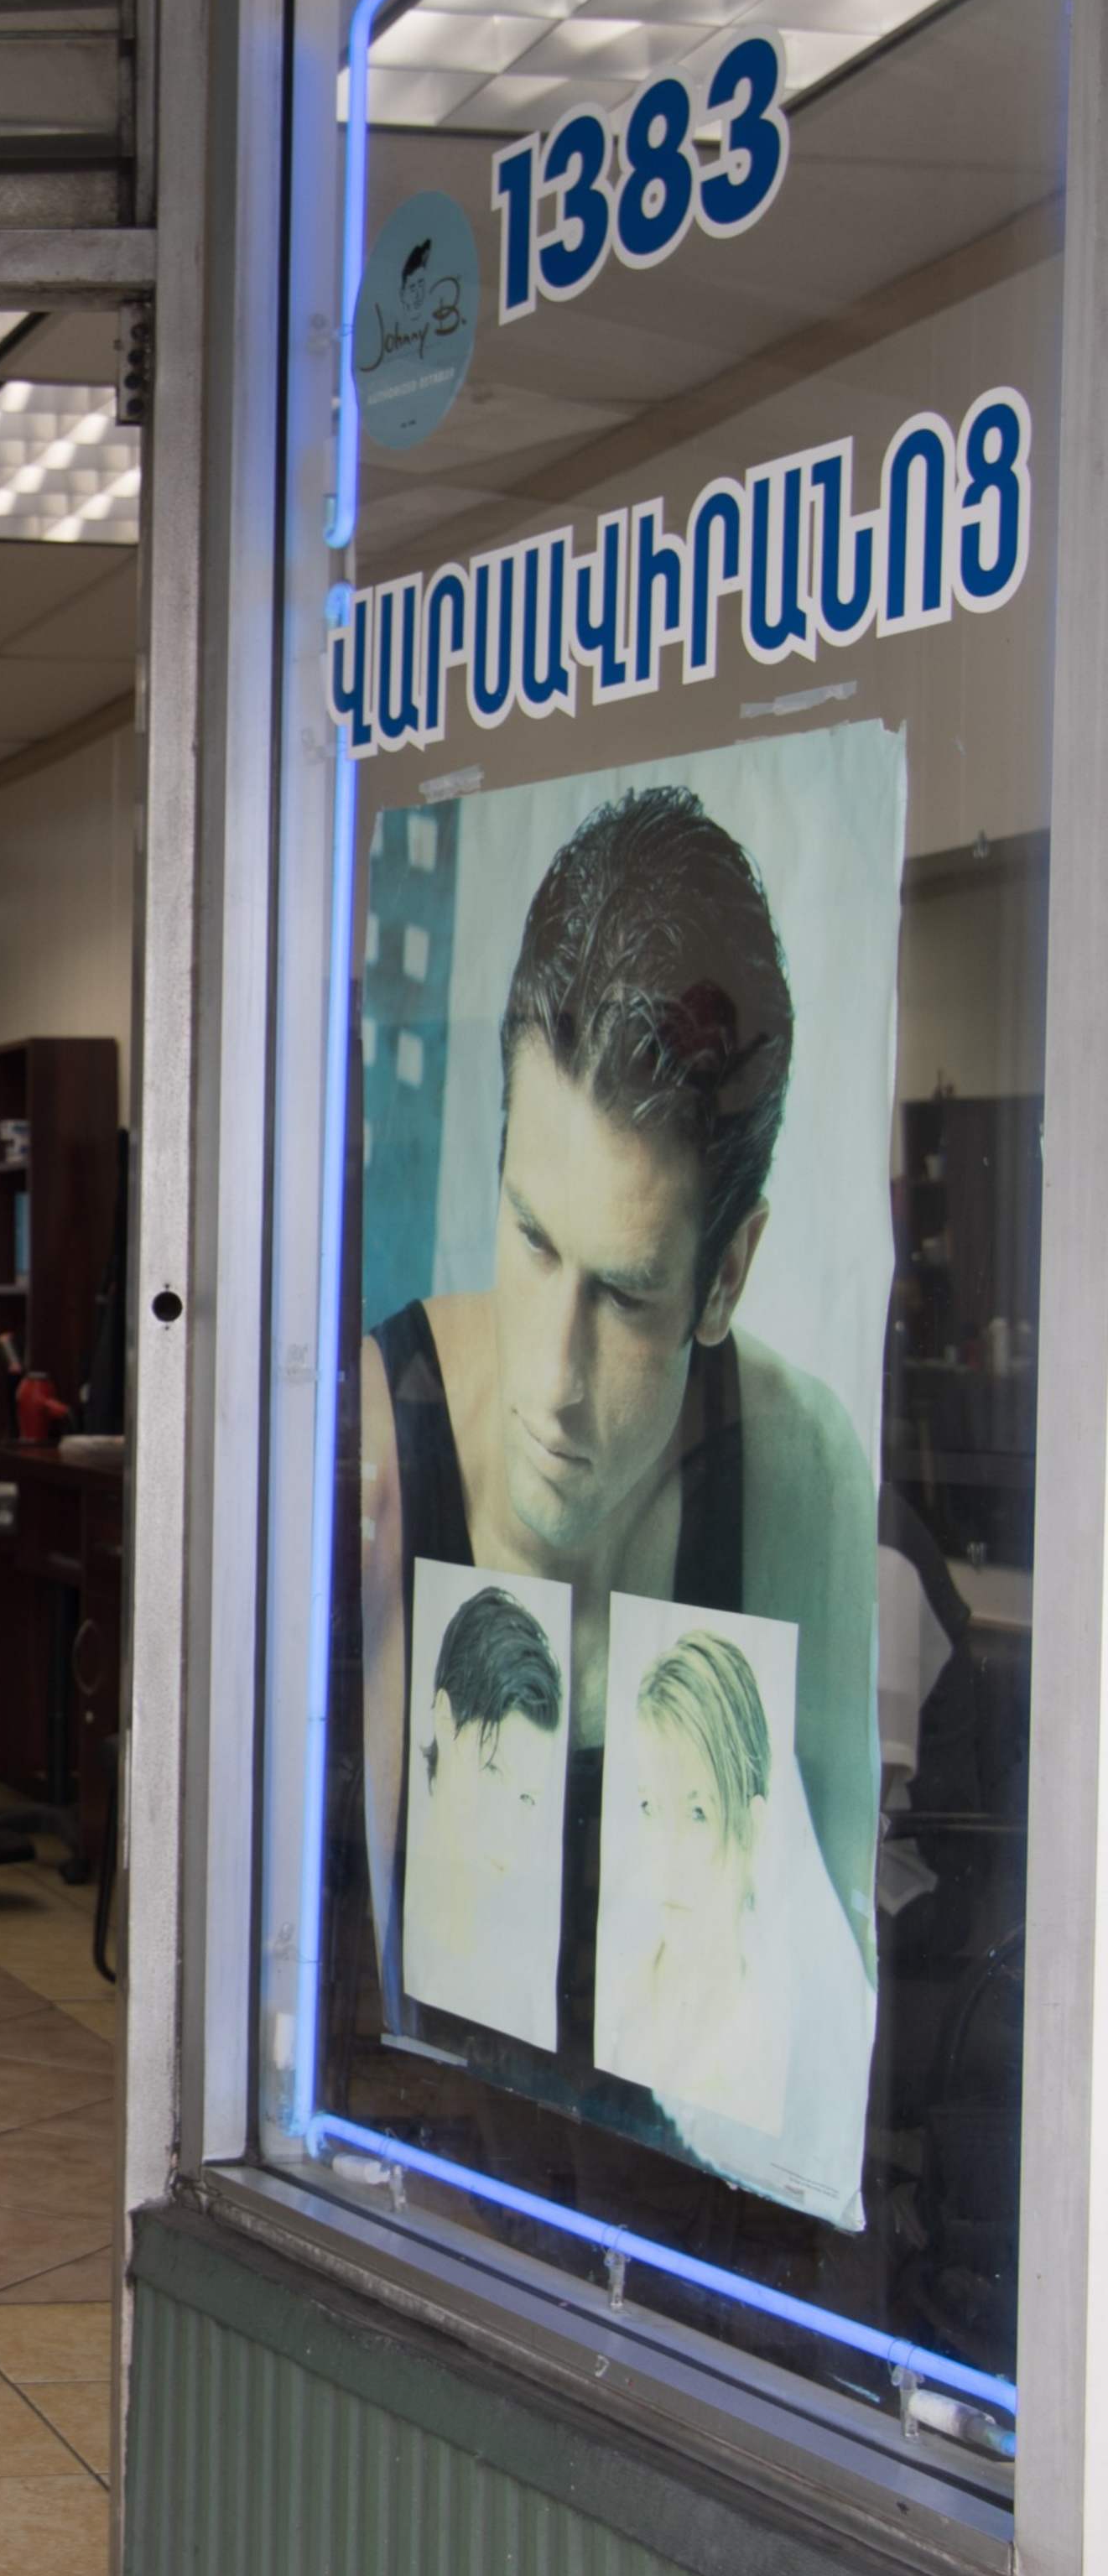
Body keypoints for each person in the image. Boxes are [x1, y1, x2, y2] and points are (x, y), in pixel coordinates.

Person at [358, 782, 877, 2092]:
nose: (555, 1377)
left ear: (725, 1275)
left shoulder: (797, 1470)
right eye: (533, 1240)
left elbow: (832, 1997)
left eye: (629, 1295)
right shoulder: (379, 1446)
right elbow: (323, 1998)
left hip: (672, 2189)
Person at [599, 1625, 789, 2134]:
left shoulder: (767, 2041)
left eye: (698, 1812)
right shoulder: (620, 1990)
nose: (666, 1853)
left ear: (753, 1827)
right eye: (650, 1806)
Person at [403, 1577, 567, 2046]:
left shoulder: (521, 1989)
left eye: (527, 1799)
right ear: (444, 1718)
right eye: (493, 1770)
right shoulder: (393, 1920)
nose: (507, 1834)